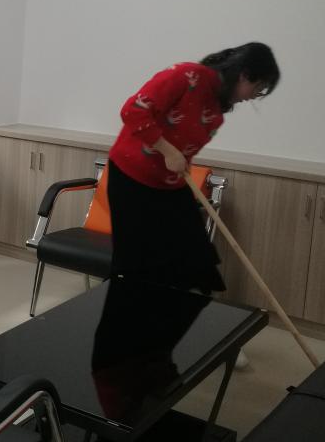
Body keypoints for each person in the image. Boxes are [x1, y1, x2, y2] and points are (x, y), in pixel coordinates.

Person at [107, 42, 280, 293]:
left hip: (170, 185)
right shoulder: (186, 76)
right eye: (258, 87)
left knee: (196, 262)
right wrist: (168, 151)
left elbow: (182, 145)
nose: (254, 96)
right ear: (244, 75)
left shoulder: (216, 108)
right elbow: (133, 111)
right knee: (138, 265)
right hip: (132, 180)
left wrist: (178, 159)